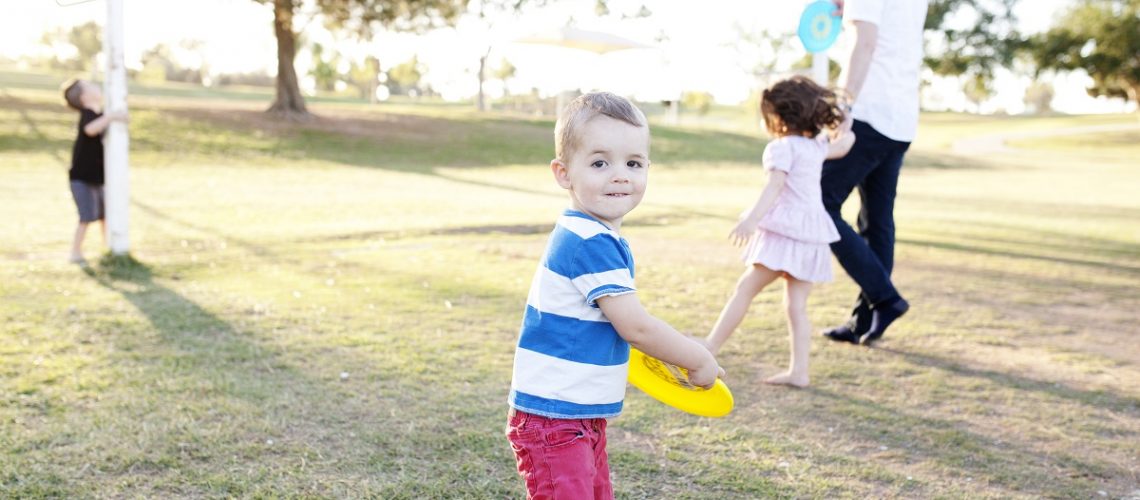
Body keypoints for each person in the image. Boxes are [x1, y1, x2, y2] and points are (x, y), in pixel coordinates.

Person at [505, 92, 723, 499]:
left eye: (633, 163)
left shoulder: (594, 233)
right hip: (555, 419)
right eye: (600, 162)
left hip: (578, 413)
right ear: (564, 173)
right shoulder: (589, 240)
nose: (620, 175)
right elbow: (635, 326)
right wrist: (697, 357)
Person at [703, 76, 855, 388]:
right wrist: (846, 122)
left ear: (780, 118)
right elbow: (843, 145)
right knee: (796, 306)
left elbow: (775, 186)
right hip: (811, 233)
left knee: (745, 290)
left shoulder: (782, 148)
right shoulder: (815, 145)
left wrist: (751, 220)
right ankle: (799, 371)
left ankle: (710, 347)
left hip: (785, 232)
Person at [821, 0, 928, 346]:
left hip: (868, 114)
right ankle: (864, 321)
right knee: (877, 221)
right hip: (900, 119)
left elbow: (864, 43)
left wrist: (844, 104)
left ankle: (885, 298)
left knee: (817, 202)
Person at [61, 78, 127, 263]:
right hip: (81, 178)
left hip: (96, 178)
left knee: (105, 214)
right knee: (86, 216)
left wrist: (115, 117)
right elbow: (90, 129)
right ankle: (75, 251)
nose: (96, 86)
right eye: (90, 86)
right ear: (84, 97)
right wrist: (112, 116)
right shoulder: (88, 114)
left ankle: (109, 247)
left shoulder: (99, 114)